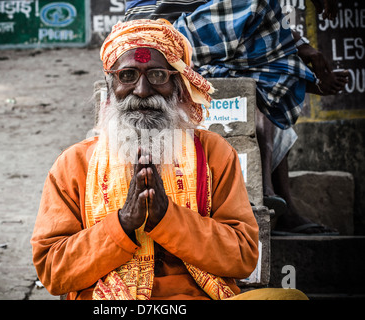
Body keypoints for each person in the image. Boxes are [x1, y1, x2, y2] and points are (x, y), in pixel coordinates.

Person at [31, 19, 308, 300]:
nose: (142, 90)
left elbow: (243, 256)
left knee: (290, 298)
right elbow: (53, 272)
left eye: (157, 76)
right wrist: (124, 223)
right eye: (127, 75)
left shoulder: (214, 153)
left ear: (178, 84)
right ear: (110, 85)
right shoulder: (73, 164)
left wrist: (167, 217)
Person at [123, 0, 348, 235]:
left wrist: (303, 48)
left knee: (261, 83)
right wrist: (305, 49)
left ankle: (280, 204)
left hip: (200, 35)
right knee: (261, 17)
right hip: (160, 32)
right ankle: (300, 76)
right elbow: (253, 10)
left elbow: (253, 19)